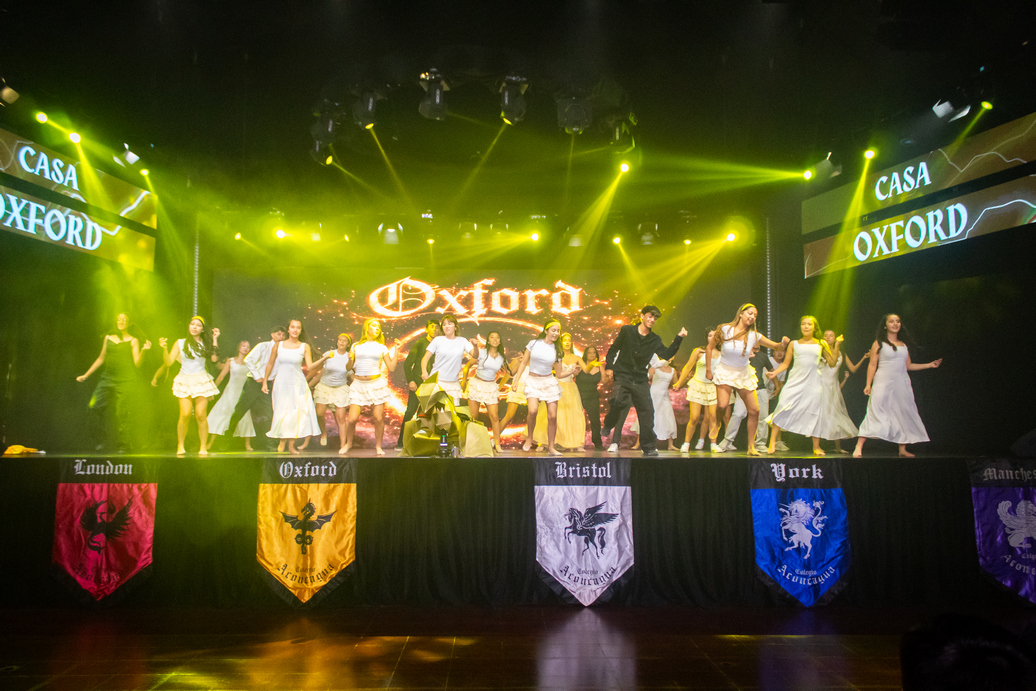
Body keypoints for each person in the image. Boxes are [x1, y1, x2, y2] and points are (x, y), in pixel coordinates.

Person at [601, 305, 687, 457]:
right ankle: (608, 424)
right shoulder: (627, 331)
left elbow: (666, 354)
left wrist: (679, 337)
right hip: (623, 375)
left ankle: (648, 447)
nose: (652, 320)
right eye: (650, 316)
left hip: (640, 379)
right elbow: (614, 349)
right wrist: (609, 367)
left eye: (655, 318)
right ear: (642, 316)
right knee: (617, 401)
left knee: (647, 412)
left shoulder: (654, 339)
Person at [705, 303, 789, 457]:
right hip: (725, 371)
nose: (752, 317)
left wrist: (782, 343)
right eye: (750, 313)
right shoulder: (725, 329)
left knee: (754, 410)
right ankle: (717, 423)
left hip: (743, 373)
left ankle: (751, 447)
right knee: (722, 405)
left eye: (755, 315)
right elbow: (710, 348)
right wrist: (709, 370)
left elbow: (776, 347)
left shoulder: (754, 336)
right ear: (741, 314)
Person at [854, 314, 942, 458]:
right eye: (891, 321)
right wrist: (868, 384)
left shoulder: (903, 345)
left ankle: (902, 449)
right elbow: (872, 365)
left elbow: (908, 365)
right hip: (883, 381)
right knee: (875, 411)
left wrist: (929, 365)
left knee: (903, 412)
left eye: (898, 321)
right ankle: (859, 446)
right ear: (885, 325)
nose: (895, 324)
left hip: (901, 382)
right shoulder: (879, 343)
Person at [76, 312, 151, 452]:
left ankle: (124, 445)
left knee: (122, 413)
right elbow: (101, 358)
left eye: (124, 320)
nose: (121, 321)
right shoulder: (108, 338)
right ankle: (99, 440)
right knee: (93, 406)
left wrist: (144, 351)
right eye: (119, 319)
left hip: (125, 380)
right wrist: (86, 375)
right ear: (116, 322)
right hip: (107, 378)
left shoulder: (133, 340)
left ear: (129, 323)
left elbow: (137, 363)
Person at [765, 316, 838, 455]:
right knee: (783, 406)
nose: (806, 326)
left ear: (814, 327)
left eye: (809, 324)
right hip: (795, 380)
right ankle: (772, 441)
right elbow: (786, 364)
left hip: (814, 382)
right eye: (803, 324)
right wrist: (774, 373)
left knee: (815, 412)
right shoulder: (794, 344)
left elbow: (832, 363)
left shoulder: (820, 343)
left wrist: (836, 346)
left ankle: (816, 446)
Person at [154, 316, 221, 455]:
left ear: (202, 329)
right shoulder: (180, 342)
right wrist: (164, 348)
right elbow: (168, 362)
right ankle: (180, 445)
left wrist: (215, 339)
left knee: (200, 415)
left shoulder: (205, 343)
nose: (194, 327)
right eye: (192, 324)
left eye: (198, 325)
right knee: (185, 414)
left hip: (201, 380)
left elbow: (214, 358)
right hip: (184, 380)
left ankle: (203, 447)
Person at [262, 319, 320, 455]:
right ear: (288, 329)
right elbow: (270, 364)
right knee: (282, 412)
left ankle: (291, 446)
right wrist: (264, 381)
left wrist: (324, 359)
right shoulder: (279, 345)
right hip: (281, 382)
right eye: (293, 327)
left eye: (298, 327)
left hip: (297, 383)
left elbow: (310, 366)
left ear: (300, 330)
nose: (295, 330)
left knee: (295, 414)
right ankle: (282, 442)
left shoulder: (304, 346)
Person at [224, 326, 286, 451]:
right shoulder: (263, 346)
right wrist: (258, 376)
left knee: (271, 413)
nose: (281, 337)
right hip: (253, 383)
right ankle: (226, 440)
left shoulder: (284, 351)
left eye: (283, 335)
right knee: (240, 410)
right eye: (278, 334)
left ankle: (271, 444)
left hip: (268, 384)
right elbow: (248, 359)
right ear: (272, 334)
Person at [344, 317, 399, 456]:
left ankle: (378, 447)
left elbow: (391, 367)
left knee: (378, 418)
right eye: (374, 325)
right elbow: (348, 367)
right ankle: (348, 444)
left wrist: (397, 350)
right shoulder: (356, 346)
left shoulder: (381, 347)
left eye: (378, 327)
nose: (377, 328)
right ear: (367, 328)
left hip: (376, 384)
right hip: (359, 384)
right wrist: (350, 358)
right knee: (352, 419)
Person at [512, 319, 565, 456]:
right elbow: (523, 362)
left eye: (558, 331)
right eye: (553, 330)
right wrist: (516, 381)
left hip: (548, 382)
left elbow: (559, 374)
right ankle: (530, 438)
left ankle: (551, 447)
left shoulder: (558, 350)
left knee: (552, 416)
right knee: (533, 410)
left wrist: (571, 371)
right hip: (533, 381)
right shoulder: (534, 343)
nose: (556, 333)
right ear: (546, 331)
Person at [719, 345, 782, 453]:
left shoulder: (763, 356)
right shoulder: (742, 354)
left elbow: (772, 371)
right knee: (738, 414)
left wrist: (777, 386)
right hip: (744, 388)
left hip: (760, 389)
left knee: (763, 417)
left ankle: (760, 444)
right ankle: (727, 441)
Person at [533, 333, 588, 450]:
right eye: (565, 340)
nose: (567, 342)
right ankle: (544, 442)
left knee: (574, 414)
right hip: (557, 386)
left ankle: (576, 443)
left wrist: (592, 364)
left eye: (569, 340)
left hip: (571, 388)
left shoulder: (576, 358)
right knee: (550, 414)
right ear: (561, 342)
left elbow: (586, 370)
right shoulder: (555, 356)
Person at [818, 329, 868, 453]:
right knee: (820, 413)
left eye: (831, 335)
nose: (828, 337)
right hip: (821, 384)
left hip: (833, 386)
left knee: (835, 414)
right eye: (826, 335)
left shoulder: (841, 353)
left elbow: (853, 369)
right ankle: (816, 446)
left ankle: (838, 447)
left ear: (835, 338)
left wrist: (864, 358)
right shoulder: (821, 351)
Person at [463, 331, 509, 452]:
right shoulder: (482, 352)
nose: (495, 339)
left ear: (500, 341)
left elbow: (510, 372)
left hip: (490, 387)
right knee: (473, 417)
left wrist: (520, 361)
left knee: (494, 417)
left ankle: (497, 445)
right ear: (488, 340)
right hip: (477, 385)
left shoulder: (501, 357)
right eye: (492, 337)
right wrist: (464, 381)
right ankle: (470, 444)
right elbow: (469, 364)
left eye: (497, 337)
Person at [674, 330, 720, 452]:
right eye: (710, 335)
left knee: (713, 417)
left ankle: (713, 444)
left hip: (713, 387)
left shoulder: (721, 354)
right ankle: (686, 443)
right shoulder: (699, 351)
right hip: (698, 386)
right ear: (706, 337)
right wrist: (679, 382)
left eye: (715, 335)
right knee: (694, 417)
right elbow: (688, 367)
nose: (712, 337)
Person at [396, 320, 439, 449]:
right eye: (432, 327)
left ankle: (429, 444)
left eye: (437, 327)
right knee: (410, 412)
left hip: (434, 384)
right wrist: (411, 380)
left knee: (433, 414)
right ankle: (401, 442)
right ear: (426, 329)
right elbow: (407, 364)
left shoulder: (441, 345)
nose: (435, 329)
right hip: (418, 383)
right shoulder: (420, 344)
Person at [206, 340, 256, 451]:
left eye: (248, 346)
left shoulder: (250, 363)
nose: (245, 348)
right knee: (221, 415)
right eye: (243, 345)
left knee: (245, 417)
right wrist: (212, 391)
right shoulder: (231, 361)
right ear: (239, 348)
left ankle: (247, 445)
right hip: (229, 393)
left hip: (241, 394)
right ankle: (210, 443)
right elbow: (221, 376)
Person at [309, 333, 354, 452]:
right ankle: (323, 433)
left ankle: (343, 445)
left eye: (344, 341)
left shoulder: (349, 357)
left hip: (340, 389)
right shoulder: (329, 354)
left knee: (341, 419)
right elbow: (320, 373)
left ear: (348, 344)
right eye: (340, 340)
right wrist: (308, 386)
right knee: (319, 414)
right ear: (337, 342)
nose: (342, 342)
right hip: (324, 387)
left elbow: (352, 375)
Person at [421, 315, 475, 404]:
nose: (447, 326)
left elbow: (475, 355)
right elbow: (425, 358)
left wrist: (475, 346)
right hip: (437, 381)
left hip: (453, 384)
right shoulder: (438, 340)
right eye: (444, 324)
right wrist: (424, 371)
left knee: (452, 410)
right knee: (435, 410)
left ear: (455, 327)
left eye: (449, 324)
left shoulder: (462, 341)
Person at [575, 345, 604, 450]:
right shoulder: (580, 365)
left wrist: (609, 374)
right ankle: (575, 442)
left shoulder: (600, 366)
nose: (592, 354)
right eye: (589, 352)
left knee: (595, 421)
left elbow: (604, 380)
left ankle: (598, 443)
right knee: (576, 420)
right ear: (585, 354)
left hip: (593, 396)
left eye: (594, 352)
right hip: (579, 395)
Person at [498, 353, 529, 446]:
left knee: (535, 415)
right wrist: (498, 389)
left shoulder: (538, 360)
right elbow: (508, 375)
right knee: (509, 415)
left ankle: (536, 441)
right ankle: (493, 439)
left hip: (532, 389)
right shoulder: (518, 359)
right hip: (518, 388)